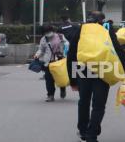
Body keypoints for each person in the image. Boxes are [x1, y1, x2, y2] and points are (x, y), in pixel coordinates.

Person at [67, 11, 114, 142]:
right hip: (103, 71)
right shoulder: (107, 30)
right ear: (102, 20)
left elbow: (72, 54)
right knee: (99, 105)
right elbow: (117, 51)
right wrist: (118, 74)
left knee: (84, 102)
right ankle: (92, 134)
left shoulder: (81, 30)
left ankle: (83, 130)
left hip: (83, 70)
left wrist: (73, 79)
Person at [35, 25, 68, 102]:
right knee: (49, 79)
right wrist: (37, 55)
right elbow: (41, 49)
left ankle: (63, 89)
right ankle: (50, 95)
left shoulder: (60, 36)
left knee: (60, 77)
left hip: (59, 61)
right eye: (45, 32)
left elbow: (67, 45)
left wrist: (63, 53)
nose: (48, 33)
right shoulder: (43, 39)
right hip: (48, 62)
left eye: (49, 31)